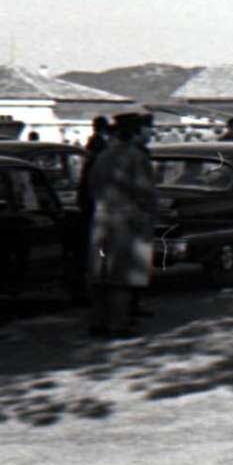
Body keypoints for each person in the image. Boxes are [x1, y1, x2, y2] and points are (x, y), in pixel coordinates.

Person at [88, 113, 157, 337]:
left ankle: (98, 321)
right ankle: (118, 324)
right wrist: (149, 215)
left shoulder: (103, 155)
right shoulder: (136, 157)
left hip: (101, 219)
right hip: (126, 220)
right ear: (134, 133)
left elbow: (91, 187)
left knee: (101, 275)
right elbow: (145, 192)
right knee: (122, 276)